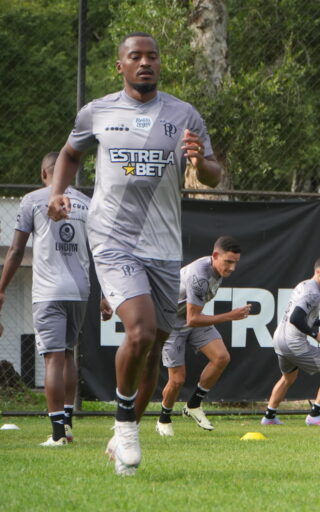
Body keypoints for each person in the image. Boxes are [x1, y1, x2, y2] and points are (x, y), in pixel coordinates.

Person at [47, 32, 222, 475]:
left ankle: (124, 436)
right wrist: (57, 192)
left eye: (153, 57)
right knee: (140, 332)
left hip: (164, 248)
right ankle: (125, 427)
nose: (145, 63)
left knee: (152, 353)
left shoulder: (183, 114)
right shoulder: (97, 112)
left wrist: (200, 162)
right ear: (119, 66)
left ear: (160, 65)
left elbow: (215, 174)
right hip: (111, 238)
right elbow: (69, 153)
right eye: (135, 57)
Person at [0, 153, 111, 446]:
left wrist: (1, 288)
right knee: (67, 356)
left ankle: (58, 434)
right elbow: (100, 251)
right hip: (80, 291)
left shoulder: (32, 200)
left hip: (48, 291)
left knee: (52, 358)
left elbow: (15, 251)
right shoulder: (86, 204)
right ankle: (68, 425)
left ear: (43, 173)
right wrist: (105, 294)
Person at [155, 236, 250, 436]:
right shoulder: (200, 276)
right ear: (215, 256)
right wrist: (231, 316)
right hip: (172, 324)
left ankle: (194, 404)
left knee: (221, 357)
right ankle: (164, 418)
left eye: (236, 263)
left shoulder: (217, 269)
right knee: (177, 380)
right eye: (228, 262)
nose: (232, 268)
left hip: (192, 319)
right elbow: (193, 319)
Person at [261, 257, 320, 426]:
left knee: (288, 378)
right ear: (318, 272)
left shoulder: (304, 285)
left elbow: (300, 315)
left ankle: (269, 417)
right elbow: (296, 318)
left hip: (279, 339)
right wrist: (316, 334)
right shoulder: (313, 293)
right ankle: (315, 416)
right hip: (293, 343)